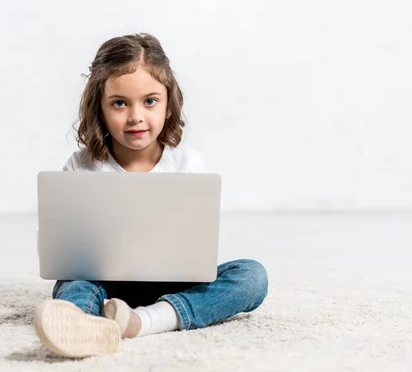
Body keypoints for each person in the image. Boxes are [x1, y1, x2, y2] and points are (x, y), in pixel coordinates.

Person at [34, 33, 268, 358]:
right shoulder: (81, 166)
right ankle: (79, 326)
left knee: (252, 276)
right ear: (99, 108)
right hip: (104, 284)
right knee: (72, 285)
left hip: (172, 284)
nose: (136, 116)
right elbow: (66, 248)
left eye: (150, 101)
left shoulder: (187, 163)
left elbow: (196, 245)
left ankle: (144, 321)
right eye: (119, 103)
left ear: (168, 103)